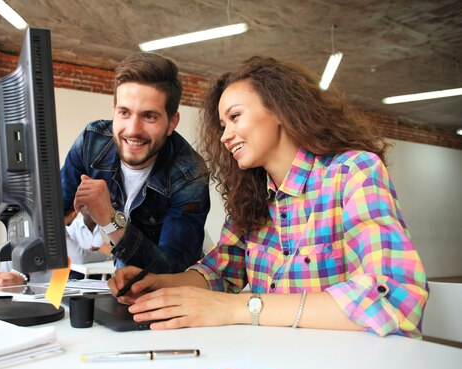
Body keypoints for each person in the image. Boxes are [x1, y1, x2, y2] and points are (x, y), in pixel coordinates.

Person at [109, 56, 428, 338]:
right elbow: (220, 273)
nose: (224, 136)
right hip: (272, 364)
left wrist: (236, 308)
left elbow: (395, 299)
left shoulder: (353, 171)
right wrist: (155, 283)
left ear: (279, 109)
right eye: (222, 125)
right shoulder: (252, 196)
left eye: (234, 117)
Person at [0, 52, 210, 288]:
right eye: (124, 113)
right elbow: (48, 218)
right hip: (119, 287)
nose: (133, 129)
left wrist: (110, 221)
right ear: (114, 110)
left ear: (172, 122)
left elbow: (174, 271)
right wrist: (23, 272)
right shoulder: (93, 142)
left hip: (170, 300)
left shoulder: (190, 174)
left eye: (149, 116)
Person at [65, 208, 112, 280]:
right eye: (88, 208)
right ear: (80, 210)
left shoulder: (108, 226)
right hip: (79, 273)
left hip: (103, 272)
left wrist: (90, 253)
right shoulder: (72, 226)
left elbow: (112, 250)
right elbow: (75, 256)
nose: (93, 212)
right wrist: (99, 253)